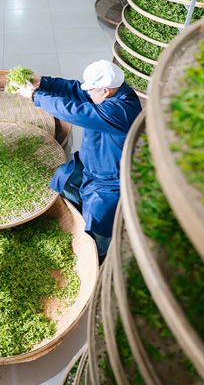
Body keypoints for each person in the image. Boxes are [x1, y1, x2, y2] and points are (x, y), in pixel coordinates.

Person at [14, 60, 142, 259]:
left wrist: (35, 96)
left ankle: (98, 254)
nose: (87, 93)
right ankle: (76, 217)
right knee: (64, 178)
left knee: (99, 218)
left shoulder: (122, 112)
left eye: (91, 90)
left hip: (110, 179)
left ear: (105, 91)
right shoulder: (109, 93)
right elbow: (77, 91)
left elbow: (75, 111)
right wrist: (45, 83)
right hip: (91, 162)